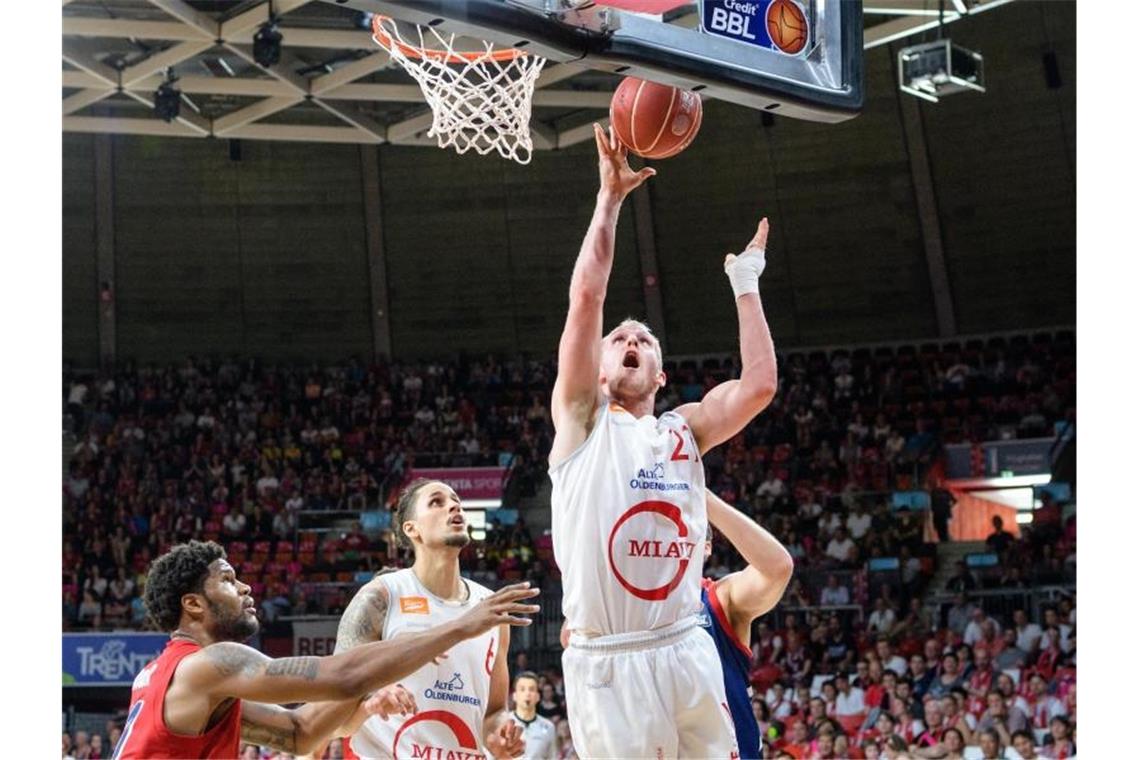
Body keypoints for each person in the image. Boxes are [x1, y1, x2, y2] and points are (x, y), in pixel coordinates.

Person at [548, 124, 778, 758]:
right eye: (619, 339)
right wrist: (609, 201)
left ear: (661, 373)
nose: (630, 342)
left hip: (686, 646)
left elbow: (758, 386)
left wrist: (746, 283)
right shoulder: (581, 420)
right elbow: (587, 295)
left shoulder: (683, 430)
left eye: (643, 341)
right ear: (596, 368)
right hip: (609, 663)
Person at [111, 540, 538, 759]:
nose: (245, 586)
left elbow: (300, 733)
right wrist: (459, 626)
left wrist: (368, 706)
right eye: (227, 579)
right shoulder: (214, 663)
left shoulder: (173, 675)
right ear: (193, 604)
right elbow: (343, 676)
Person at [333, 480, 539, 759]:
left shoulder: (490, 608)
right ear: (412, 528)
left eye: (456, 501)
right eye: (436, 502)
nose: (454, 506)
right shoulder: (380, 597)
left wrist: (500, 735)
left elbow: (494, 711)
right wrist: (373, 699)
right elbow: (334, 716)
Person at [700, 490, 795, 759]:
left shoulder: (719, 597)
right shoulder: (630, 606)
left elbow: (777, 568)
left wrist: (700, 495)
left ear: (706, 546)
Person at [507, 671, 558, 759]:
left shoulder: (549, 727)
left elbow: (552, 757)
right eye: (522, 689)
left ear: (538, 696)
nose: (527, 694)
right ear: (514, 696)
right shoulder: (502, 723)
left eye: (531, 689)